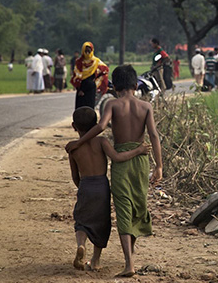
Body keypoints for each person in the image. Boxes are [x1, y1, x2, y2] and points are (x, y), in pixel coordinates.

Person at [65, 64, 163, 277]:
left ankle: (129, 263)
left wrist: (79, 142)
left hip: (121, 162)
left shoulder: (112, 104)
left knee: (123, 209)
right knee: (138, 205)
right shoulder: (146, 107)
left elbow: (100, 127)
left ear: (115, 86)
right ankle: (130, 256)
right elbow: (154, 135)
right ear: (135, 85)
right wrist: (159, 166)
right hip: (141, 160)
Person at [69, 106, 148, 272]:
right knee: (102, 223)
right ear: (96, 124)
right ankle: (96, 260)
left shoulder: (73, 147)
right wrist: (139, 150)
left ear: (73, 126)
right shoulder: (102, 141)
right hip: (102, 186)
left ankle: (81, 244)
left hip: (85, 185)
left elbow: (75, 176)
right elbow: (117, 157)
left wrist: (81, 187)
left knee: (82, 221)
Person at [71, 42, 109, 109]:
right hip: (81, 88)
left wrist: (97, 83)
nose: (87, 52)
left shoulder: (96, 61)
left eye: (89, 50)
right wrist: (79, 89)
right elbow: (76, 76)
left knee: (89, 109)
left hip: (90, 89)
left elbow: (105, 71)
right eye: (86, 51)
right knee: (80, 109)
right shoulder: (79, 62)